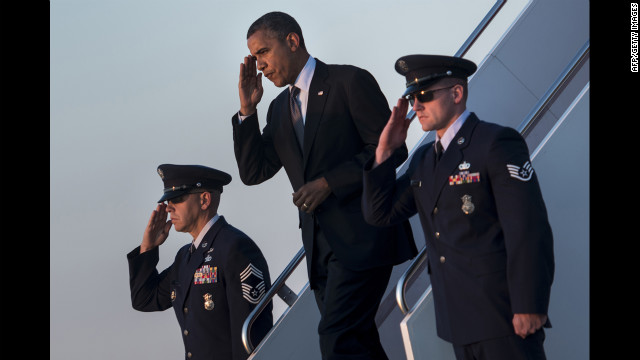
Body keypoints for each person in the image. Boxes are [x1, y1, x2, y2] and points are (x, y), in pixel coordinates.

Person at [231, 11, 417, 360]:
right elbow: (253, 171)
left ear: (292, 41)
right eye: (255, 57)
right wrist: (246, 111)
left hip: (363, 238)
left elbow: (392, 149)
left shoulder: (349, 82)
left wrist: (330, 182)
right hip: (319, 253)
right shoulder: (277, 110)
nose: (260, 66)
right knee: (357, 343)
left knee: (336, 338)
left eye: (263, 53)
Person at [362, 54, 555, 360]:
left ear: (456, 93)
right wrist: (384, 151)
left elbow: (528, 228)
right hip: (458, 321)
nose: (415, 106)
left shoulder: (495, 142)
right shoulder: (424, 160)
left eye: (424, 95)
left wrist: (529, 304)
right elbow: (380, 213)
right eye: (412, 97)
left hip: (504, 315)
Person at [126, 164, 273, 360]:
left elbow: (250, 334)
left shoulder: (235, 248)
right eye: (168, 200)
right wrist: (148, 248)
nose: (169, 207)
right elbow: (144, 299)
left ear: (204, 199)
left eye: (177, 199)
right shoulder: (185, 257)